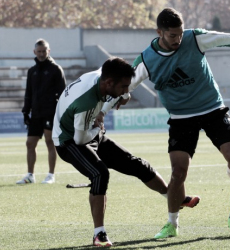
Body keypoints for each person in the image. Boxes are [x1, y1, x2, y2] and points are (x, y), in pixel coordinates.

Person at [101, 8, 230, 239]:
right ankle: (172, 224)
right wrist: (106, 108)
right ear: (159, 32)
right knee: (178, 172)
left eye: (180, 34)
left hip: (212, 108)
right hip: (180, 117)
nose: (178, 39)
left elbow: (227, 38)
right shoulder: (147, 60)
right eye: (172, 36)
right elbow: (124, 86)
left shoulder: (194, 38)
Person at [52, 57, 200, 247]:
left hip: (89, 130)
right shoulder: (86, 101)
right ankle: (99, 234)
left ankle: (173, 198)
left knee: (137, 165)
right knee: (100, 174)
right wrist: (98, 127)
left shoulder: (104, 76)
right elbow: (80, 139)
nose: (126, 90)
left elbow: (112, 71)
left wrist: (123, 94)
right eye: (123, 87)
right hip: (69, 141)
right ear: (108, 83)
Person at [17, 39, 66, 184]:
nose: (41, 54)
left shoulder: (56, 69)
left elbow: (63, 93)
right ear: (34, 52)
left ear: (48, 51)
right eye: (39, 51)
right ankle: (30, 175)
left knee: (50, 142)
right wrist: (26, 111)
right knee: (30, 143)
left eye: (44, 51)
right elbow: (28, 92)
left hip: (50, 111)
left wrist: (61, 113)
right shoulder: (32, 71)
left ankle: (51, 175)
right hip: (36, 113)